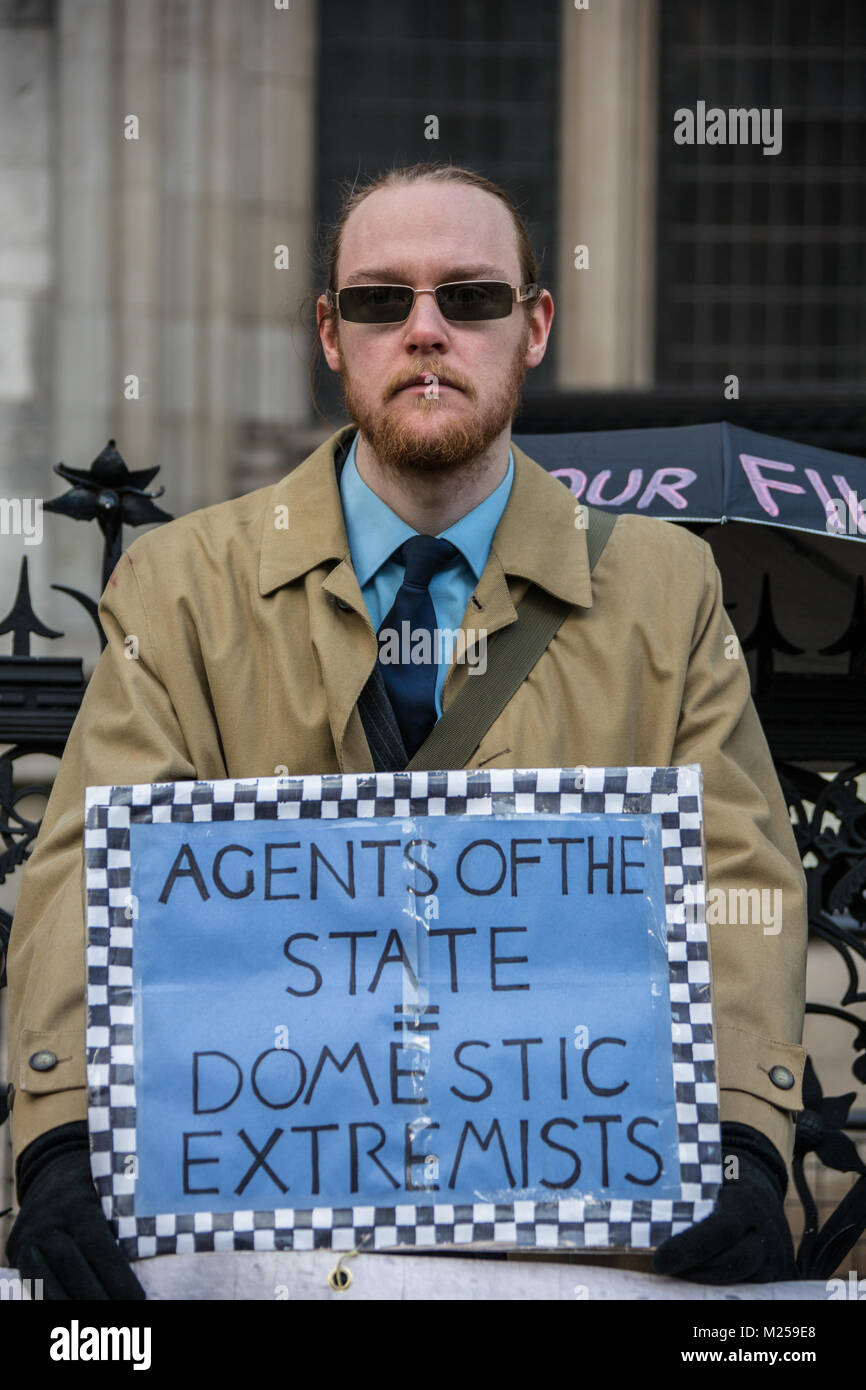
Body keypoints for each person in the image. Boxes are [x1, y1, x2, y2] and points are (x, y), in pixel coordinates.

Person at [4, 162, 807, 1298]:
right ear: (331, 336)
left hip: (570, 1247)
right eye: (381, 301)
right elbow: (96, 864)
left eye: (468, 299)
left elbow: (737, 872)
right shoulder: (183, 587)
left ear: (533, 327)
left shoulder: (663, 587)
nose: (423, 331)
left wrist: (737, 1137)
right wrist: (65, 1138)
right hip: (266, 1237)